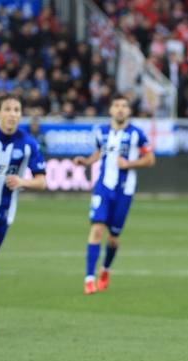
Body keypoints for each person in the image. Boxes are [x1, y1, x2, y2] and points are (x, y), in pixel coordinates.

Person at [0, 93, 47, 333]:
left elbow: (42, 181)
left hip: (4, 213)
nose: (13, 114)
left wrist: (23, 181)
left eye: (17, 109)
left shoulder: (28, 144)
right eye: (8, 109)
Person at [73, 94, 155, 295]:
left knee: (113, 238)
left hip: (125, 191)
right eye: (116, 105)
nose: (120, 109)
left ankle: (105, 269)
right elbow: (99, 153)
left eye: (124, 106)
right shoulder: (101, 132)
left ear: (129, 111)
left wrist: (130, 164)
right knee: (97, 229)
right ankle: (89, 278)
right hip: (103, 187)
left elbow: (150, 159)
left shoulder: (137, 134)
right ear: (110, 110)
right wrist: (86, 162)